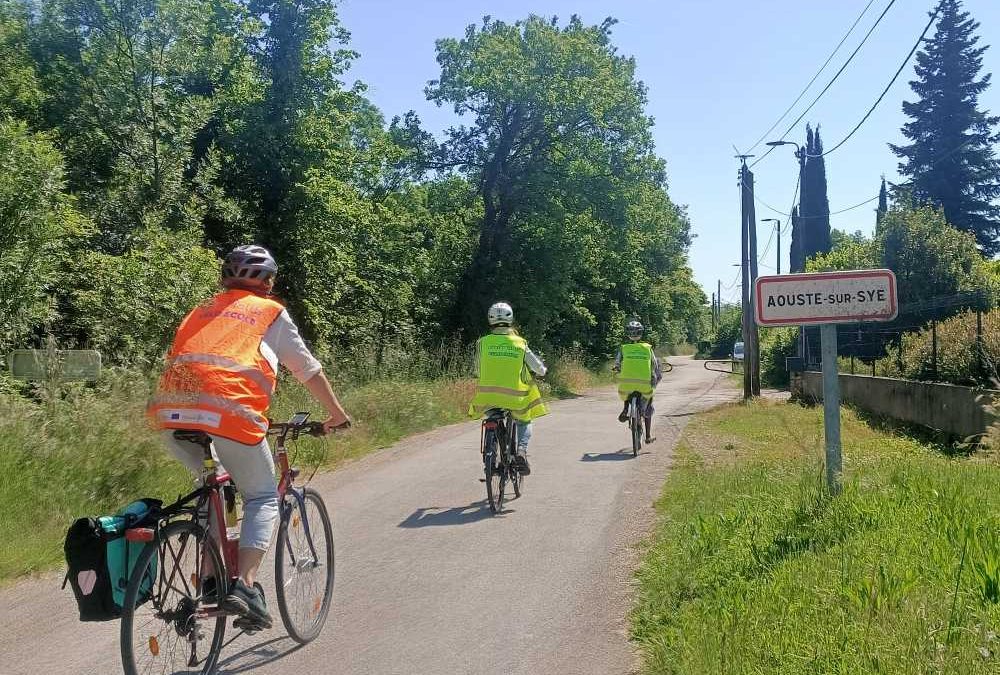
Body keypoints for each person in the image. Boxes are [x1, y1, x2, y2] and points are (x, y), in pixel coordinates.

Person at [148, 244, 351, 629]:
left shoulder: (202, 309)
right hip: (229, 415)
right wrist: (337, 414)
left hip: (171, 414)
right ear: (269, 283)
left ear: (225, 278)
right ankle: (244, 586)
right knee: (260, 495)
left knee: (213, 487)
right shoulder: (270, 312)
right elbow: (307, 370)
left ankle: (209, 582)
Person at [468, 302, 547, 475]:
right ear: (510, 319)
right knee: (525, 420)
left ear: (490, 320)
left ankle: (493, 450)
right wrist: (543, 370)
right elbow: (538, 368)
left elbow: (475, 370)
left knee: (493, 416)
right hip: (515, 399)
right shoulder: (520, 343)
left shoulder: (483, 343)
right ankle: (521, 451)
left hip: (487, 397)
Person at [614, 320, 662, 443]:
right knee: (649, 403)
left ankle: (626, 409)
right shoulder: (647, 348)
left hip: (627, 384)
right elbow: (655, 364)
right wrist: (657, 375)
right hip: (644, 384)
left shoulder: (624, 348)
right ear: (641, 333)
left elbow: (617, 363)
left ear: (627, 334)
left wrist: (617, 368)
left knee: (626, 393)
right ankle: (648, 436)